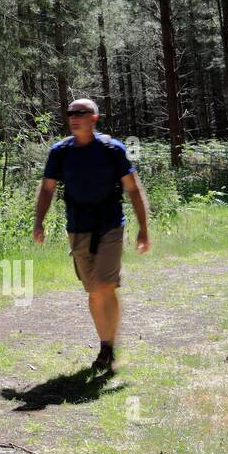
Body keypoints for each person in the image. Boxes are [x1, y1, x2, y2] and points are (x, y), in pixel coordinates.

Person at [32, 98, 150, 372]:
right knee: (94, 292)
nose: (74, 117)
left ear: (94, 118)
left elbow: (133, 189)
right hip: (77, 228)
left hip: (110, 225)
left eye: (81, 113)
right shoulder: (60, 152)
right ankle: (105, 342)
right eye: (70, 112)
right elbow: (48, 188)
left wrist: (144, 229)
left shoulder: (112, 149)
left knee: (105, 286)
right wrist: (39, 222)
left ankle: (107, 348)